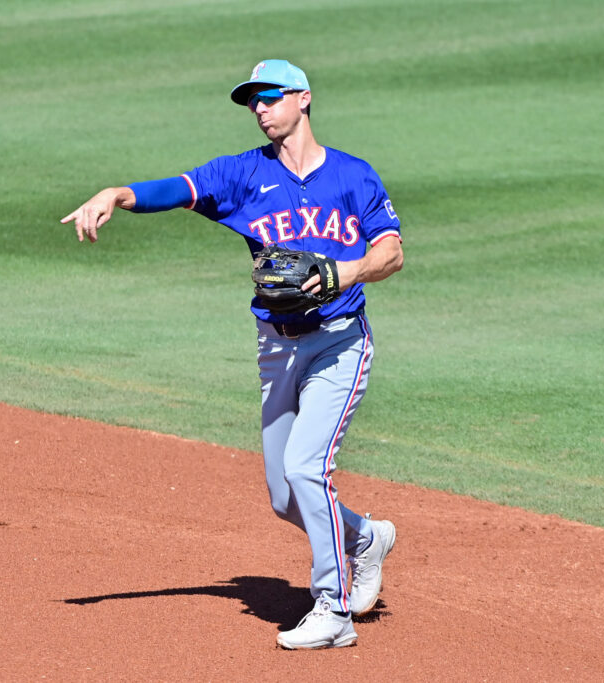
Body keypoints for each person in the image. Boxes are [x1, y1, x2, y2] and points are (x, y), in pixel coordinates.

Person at [60, 59, 403, 650]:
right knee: (283, 495)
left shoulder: (352, 176)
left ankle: (333, 609)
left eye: (269, 97)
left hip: (340, 343)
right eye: (252, 101)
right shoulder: (243, 175)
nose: (259, 109)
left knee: (305, 469)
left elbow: (391, 253)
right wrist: (115, 194)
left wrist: (341, 272)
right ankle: (364, 538)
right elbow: (176, 190)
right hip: (277, 348)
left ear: (304, 98)